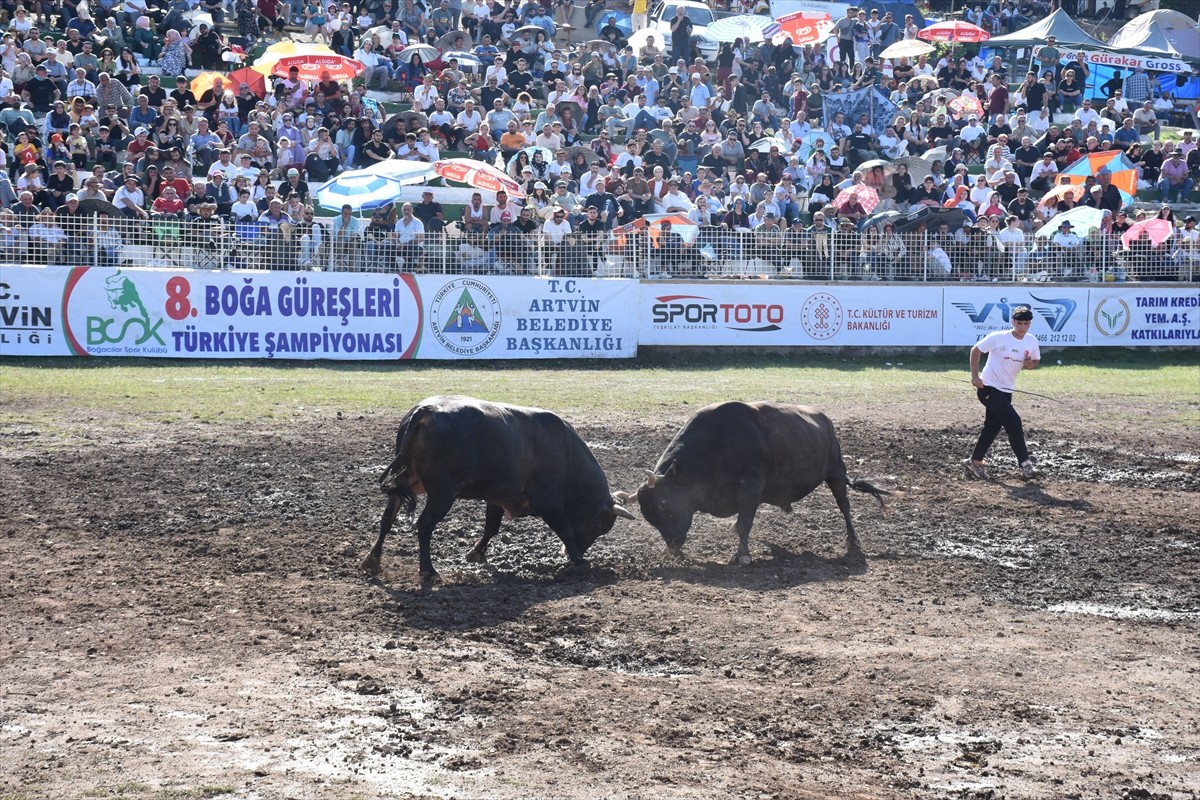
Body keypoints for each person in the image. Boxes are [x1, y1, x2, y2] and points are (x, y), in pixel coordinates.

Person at [964, 305, 1040, 481]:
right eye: (1019, 323)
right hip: (988, 388)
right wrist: (975, 376)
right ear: (1013, 322)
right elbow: (976, 350)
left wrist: (1030, 365)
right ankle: (1026, 465)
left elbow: (1035, 361)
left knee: (992, 426)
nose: (1022, 327)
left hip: (1006, 390)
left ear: (1030, 324)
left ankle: (974, 461)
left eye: (1026, 323)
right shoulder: (999, 337)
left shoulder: (1031, 341)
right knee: (1014, 422)